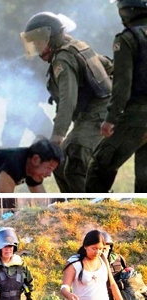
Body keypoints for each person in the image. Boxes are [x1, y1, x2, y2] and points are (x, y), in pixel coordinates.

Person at [20, 12, 113, 193]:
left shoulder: (62, 59)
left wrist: (58, 135)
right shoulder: (77, 46)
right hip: (95, 111)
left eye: (39, 41)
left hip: (99, 113)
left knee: (75, 158)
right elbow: (109, 66)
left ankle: (93, 206)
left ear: (51, 37)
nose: (37, 48)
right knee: (60, 162)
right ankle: (73, 204)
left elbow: (67, 99)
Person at [86, 0, 147, 192]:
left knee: (100, 166)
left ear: (129, 11)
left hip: (136, 117)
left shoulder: (127, 39)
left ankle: (94, 215)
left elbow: (122, 85)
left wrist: (111, 119)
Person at [61, 230, 122, 300]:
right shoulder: (74, 262)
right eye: (94, 248)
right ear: (85, 246)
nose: (97, 252)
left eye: (100, 249)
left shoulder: (103, 259)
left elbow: (113, 284)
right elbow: (64, 287)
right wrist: (68, 294)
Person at [0, 227, 34, 300]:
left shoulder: (21, 264)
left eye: (10, 245)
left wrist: (30, 296)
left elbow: (30, 285)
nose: (8, 249)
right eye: (4, 246)